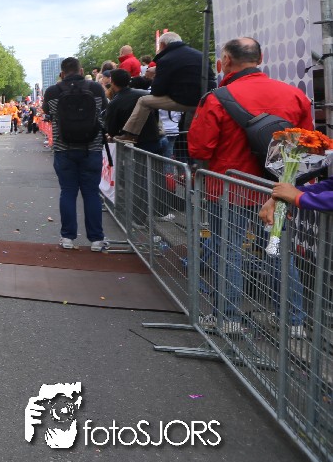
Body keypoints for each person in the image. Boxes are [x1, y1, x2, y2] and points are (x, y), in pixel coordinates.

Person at [188, 37, 314, 336]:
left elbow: (200, 147)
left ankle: (228, 318)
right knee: (277, 251)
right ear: (260, 58)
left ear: (226, 61)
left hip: (229, 187)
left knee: (227, 251)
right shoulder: (294, 95)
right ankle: (292, 321)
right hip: (276, 190)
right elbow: (307, 145)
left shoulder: (217, 98)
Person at [42, 57, 108, 251]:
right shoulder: (95, 88)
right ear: (81, 71)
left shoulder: (52, 91)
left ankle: (68, 237)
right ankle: (96, 239)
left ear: (62, 73)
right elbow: (104, 110)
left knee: (68, 192)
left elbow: (47, 112)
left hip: (64, 148)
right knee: (91, 193)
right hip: (91, 148)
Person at [116, 32, 205, 142]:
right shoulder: (200, 55)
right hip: (202, 100)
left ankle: (131, 135)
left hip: (182, 100)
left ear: (162, 44)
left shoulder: (166, 59)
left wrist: (154, 75)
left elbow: (157, 91)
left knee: (144, 101)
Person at [102, 69, 163, 154]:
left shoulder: (115, 103)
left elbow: (111, 129)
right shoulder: (145, 94)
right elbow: (156, 114)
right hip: (154, 139)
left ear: (112, 82)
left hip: (135, 145)